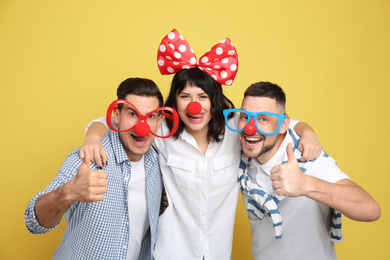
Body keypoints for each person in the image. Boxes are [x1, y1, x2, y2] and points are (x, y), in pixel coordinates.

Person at [81, 29, 323, 259]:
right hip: (171, 253)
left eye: (202, 97)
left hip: (218, 253)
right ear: (175, 102)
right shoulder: (163, 130)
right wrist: (92, 137)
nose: (194, 106)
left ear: (213, 100)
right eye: (185, 97)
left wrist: (309, 133)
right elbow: (112, 119)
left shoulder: (235, 129)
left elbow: (278, 123)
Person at [223, 81, 381, 260]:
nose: (250, 128)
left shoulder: (307, 157)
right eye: (245, 116)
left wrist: (305, 184)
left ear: (283, 126)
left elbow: (370, 209)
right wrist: (308, 131)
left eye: (263, 119)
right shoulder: (239, 146)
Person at [25, 78, 167, 260]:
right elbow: (33, 222)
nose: (142, 127)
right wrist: (68, 192)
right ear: (117, 116)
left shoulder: (157, 164)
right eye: (132, 114)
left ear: (159, 121)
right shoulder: (87, 159)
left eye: (151, 116)